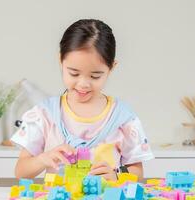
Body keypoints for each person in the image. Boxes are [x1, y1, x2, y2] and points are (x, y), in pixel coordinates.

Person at [11, 19, 154, 181]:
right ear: (61, 61)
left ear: (111, 68)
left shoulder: (123, 118)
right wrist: (43, 158)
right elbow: (20, 172)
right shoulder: (44, 114)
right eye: (74, 73)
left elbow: (137, 172)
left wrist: (116, 176)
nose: (83, 84)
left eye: (95, 76)